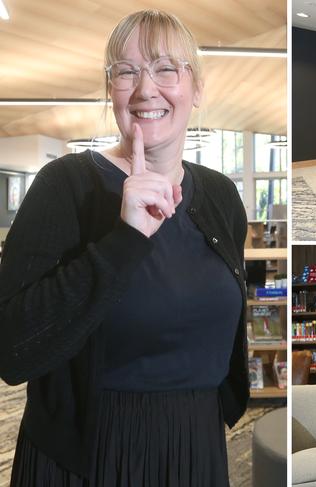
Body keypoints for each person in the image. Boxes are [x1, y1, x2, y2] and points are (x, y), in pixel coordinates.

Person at [0, 10, 248, 486]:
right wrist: (125, 240)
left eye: (166, 69)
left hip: (194, 446)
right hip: (89, 453)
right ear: (109, 88)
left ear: (197, 89)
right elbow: (12, 349)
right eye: (126, 71)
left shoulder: (220, 196)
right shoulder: (67, 185)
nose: (145, 89)